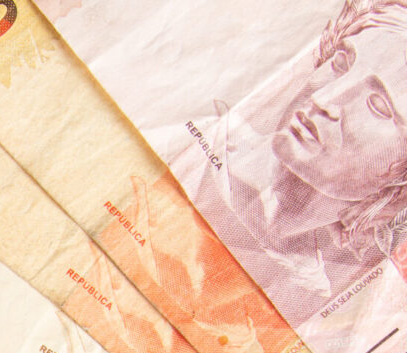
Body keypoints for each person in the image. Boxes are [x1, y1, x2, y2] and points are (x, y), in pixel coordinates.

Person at [173, 0, 407, 321]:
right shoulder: (202, 147)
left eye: (377, 106)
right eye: (340, 63)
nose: (324, 100)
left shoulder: (320, 291)